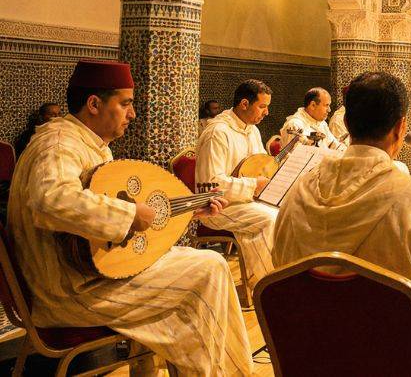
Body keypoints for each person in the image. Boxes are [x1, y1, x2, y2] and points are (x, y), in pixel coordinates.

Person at [7, 60, 250, 376]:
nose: (132, 114)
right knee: (209, 271)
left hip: (90, 275)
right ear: (94, 104)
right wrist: (130, 212)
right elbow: (50, 201)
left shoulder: (90, 145)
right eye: (125, 104)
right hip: (68, 290)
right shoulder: (58, 144)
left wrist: (189, 210)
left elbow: (108, 220)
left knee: (202, 265)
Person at [273, 71, 411, 376]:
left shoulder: (297, 193)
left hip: (316, 355)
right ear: (400, 129)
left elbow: (281, 270)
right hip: (397, 361)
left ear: (348, 126)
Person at [195, 79, 278, 291]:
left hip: (245, 200)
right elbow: (210, 183)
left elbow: (258, 167)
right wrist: (253, 185)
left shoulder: (252, 130)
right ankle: (264, 287)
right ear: (243, 104)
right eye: (262, 106)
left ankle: (279, 277)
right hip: (218, 206)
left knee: (286, 210)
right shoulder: (218, 132)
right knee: (269, 218)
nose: (266, 112)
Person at [282, 87, 346, 152]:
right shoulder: (294, 125)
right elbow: (292, 157)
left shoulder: (322, 123)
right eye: (326, 105)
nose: (329, 110)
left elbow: (334, 144)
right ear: (313, 105)